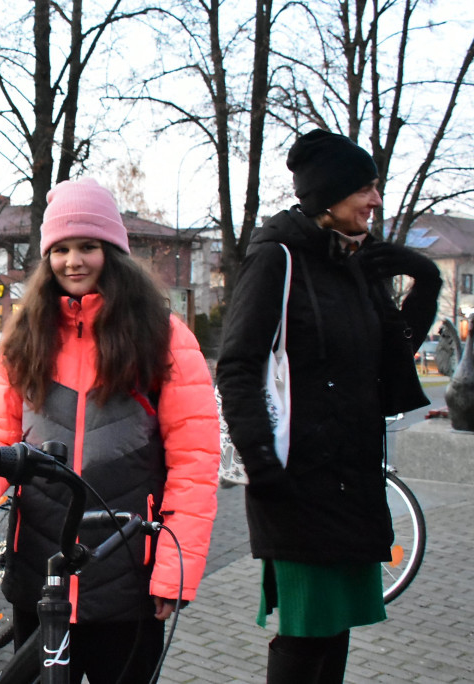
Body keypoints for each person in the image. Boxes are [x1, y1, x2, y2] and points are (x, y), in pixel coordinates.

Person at [0, 178, 220, 683]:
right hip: (39, 573)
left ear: (113, 251)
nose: (73, 260)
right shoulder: (25, 336)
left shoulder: (164, 336)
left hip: (127, 572)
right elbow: (2, 436)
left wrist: (174, 572)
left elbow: (195, 464)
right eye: (61, 249)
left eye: (87, 246)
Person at [215, 129, 441, 683]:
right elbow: (238, 365)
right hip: (296, 484)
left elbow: (392, 354)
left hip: (351, 478)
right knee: (305, 631)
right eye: (366, 187)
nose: (375, 200)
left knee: (334, 631)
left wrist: (426, 280)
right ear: (331, 194)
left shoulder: (353, 264)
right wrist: (264, 465)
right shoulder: (277, 259)